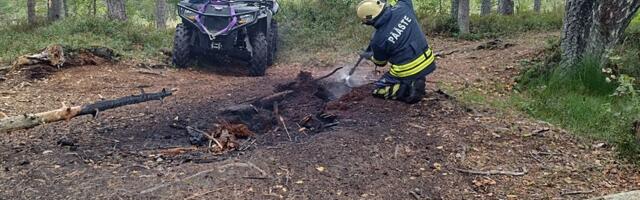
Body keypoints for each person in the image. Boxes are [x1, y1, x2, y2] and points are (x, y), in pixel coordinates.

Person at [356, 0, 437, 104]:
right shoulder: (403, 7)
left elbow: (380, 63)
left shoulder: (378, 40)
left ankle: (407, 89)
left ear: (369, 21)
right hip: (428, 60)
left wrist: (370, 55)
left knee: (377, 90)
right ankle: (415, 80)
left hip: (407, 71)